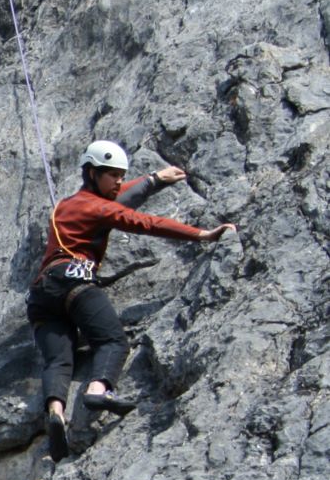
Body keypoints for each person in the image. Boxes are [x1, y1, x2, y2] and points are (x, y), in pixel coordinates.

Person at [27, 140, 236, 461]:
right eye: (112, 176)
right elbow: (143, 222)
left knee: (58, 360)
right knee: (112, 341)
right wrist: (200, 234)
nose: (119, 182)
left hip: (42, 296)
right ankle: (98, 391)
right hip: (73, 281)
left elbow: (119, 199)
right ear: (93, 173)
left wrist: (153, 180)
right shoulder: (96, 207)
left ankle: (55, 411)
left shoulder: (71, 205)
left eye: (122, 176)